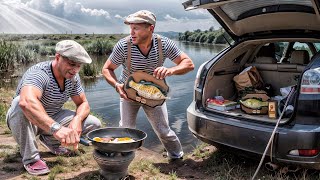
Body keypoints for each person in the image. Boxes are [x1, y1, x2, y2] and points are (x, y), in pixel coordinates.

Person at [102, 10, 194, 161]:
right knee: (126, 129)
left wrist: (171, 70)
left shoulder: (164, 44)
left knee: (163, 131)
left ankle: (177, 157)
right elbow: (106, 69)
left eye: (136, 28)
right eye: (130, 28)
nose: (131, 32)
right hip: (128, 94)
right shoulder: (123, 46)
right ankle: (123, 160)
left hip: (153, 94)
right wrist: (116, 85)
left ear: (150, 28)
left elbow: (188, 64)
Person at [6, 40, 102, 176]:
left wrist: (77, 120)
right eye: (71, 64)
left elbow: (83, 103)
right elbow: (27, 102)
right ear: (57, 57)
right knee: (19, 103)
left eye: (79, 66)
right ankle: (31, 159)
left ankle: (49, 140)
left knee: (94, 123)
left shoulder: (73, 77)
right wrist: (56, 128)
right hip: (28, 122)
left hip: (52, 118)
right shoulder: (40, 73)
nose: (75, 70)